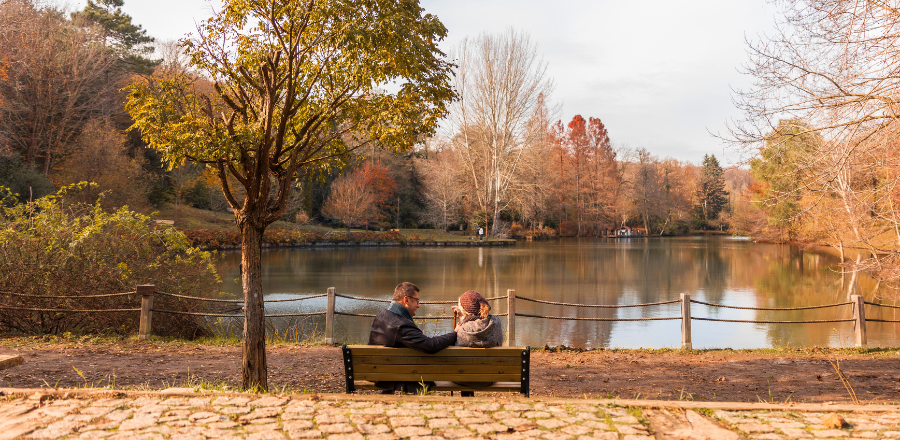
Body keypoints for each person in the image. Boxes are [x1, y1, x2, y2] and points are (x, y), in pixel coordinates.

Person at [368, 282, 457, 393]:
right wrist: (455, 333)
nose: (418, 305)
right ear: (406, 300)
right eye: (416, 300)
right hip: (394, 375)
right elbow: (431, 345)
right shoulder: (401, 325)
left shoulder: (381, 315)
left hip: (377, 371)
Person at [452, 290, 502, 394]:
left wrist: (462, 320)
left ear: (465, 310)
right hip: (490, 378)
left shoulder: (463, 330)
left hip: (463, 379)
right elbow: (477, 324)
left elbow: (468, 329)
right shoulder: (496, 323)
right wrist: (463, 317)